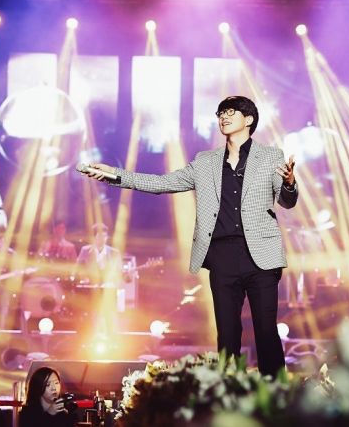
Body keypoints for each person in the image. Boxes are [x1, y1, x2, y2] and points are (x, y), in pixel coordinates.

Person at [82, 96, 298, 377]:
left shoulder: (271, 157)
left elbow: (287, 201)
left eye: (230, 112)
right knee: (227, 336)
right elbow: (162, 183)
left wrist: (290, 184)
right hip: (222, 257)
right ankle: (228, 394)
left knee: (266, 332)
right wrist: (115, 175)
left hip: (262, 257)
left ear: (249, 119)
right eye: (220, 113)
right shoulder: (205, 162)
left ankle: (277, 396)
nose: (223, 117)